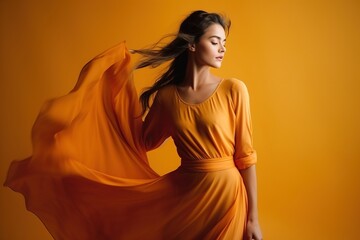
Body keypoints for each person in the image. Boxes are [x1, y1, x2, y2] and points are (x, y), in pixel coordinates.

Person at [4, 10, 262, 240]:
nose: (222, 49)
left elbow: (246, 158)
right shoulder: (167, 97)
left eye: (224, 43)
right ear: (193, 45)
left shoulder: (233, 89)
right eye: (214, 41)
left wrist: (253, 219)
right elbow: (141, 142)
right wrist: (111, 92)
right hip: (185, 199)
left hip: (228, 200)